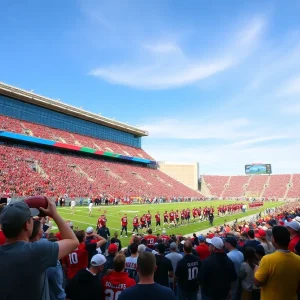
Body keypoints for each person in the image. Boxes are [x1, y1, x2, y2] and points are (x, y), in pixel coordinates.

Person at [0, 199, 79, 299]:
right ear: (26, 225)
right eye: (31, 218)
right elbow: (73, 241)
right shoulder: (37, 251)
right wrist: (54, 214)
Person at [254, 226, 300, 300]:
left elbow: (257, 283)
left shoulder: (267, 259)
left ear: (274, 240)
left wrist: (256, 269)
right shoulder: (298, 259)